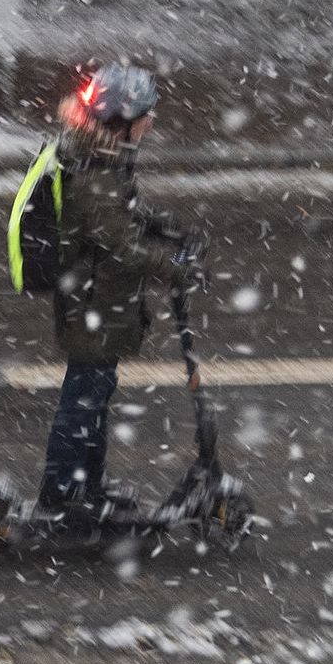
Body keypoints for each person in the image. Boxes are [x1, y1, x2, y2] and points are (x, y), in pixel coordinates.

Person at [37, 64, 203, 518]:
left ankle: (85, 487)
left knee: (94, 394)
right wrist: (173, 267)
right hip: (93, 303)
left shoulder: (103, 156)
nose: (151, 122)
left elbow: (124, 217)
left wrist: (167, 231)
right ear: (120, 118)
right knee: (84, 397)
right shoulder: (96, 170)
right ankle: (62, 493)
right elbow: (122, 244)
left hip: (99, 301)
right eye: (145, 114)